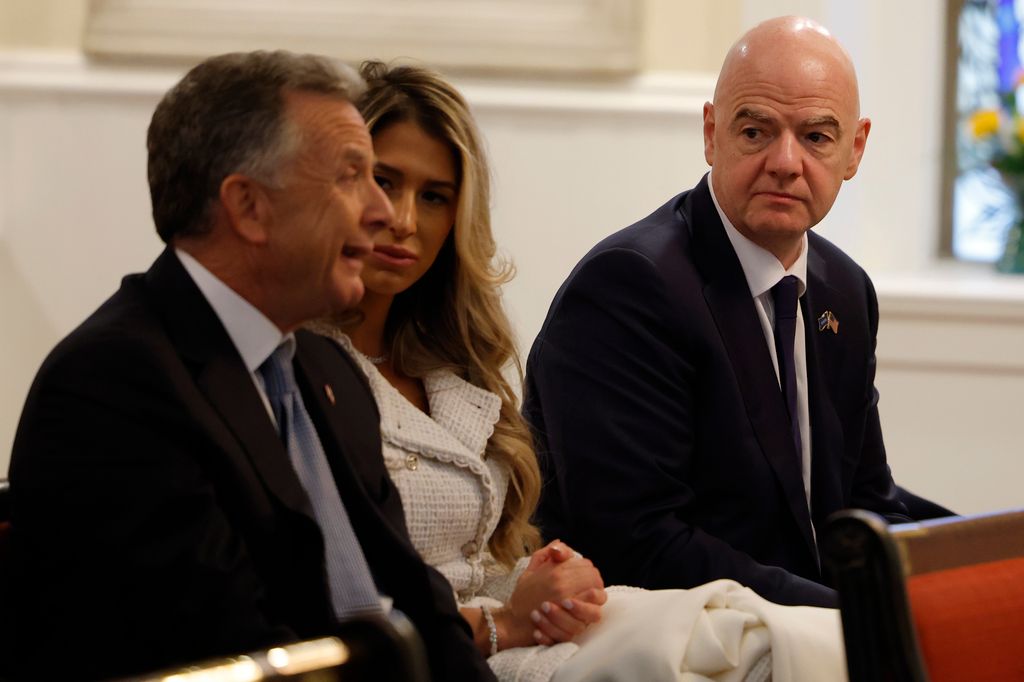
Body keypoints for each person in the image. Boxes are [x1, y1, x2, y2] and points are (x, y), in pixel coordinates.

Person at [312, 59, 845, 682]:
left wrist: (550, 569)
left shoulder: (453, 368)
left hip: (532, 630)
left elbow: (495, 549)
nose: (402, 219)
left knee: (792, 642)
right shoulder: (299, 372)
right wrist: (505, 619)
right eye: (383, 182)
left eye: (433, 196)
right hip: (445, 655)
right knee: (767, 648)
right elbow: (334, 605)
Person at [3, 51, 495, 682]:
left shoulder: (324, 371)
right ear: (249, 207)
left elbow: (421, 609)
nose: (384, 215)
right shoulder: (113, 386)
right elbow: (233, 650)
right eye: (352, 177)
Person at [523, 16, 912, 610]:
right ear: (711, 134)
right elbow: (637, 542)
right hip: (673, 633)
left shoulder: (845, 290)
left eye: (815, 137)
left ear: (854, 149)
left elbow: (866, 501)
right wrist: (846, 614)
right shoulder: (628, 287)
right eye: (756, 131)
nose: (785, 162)